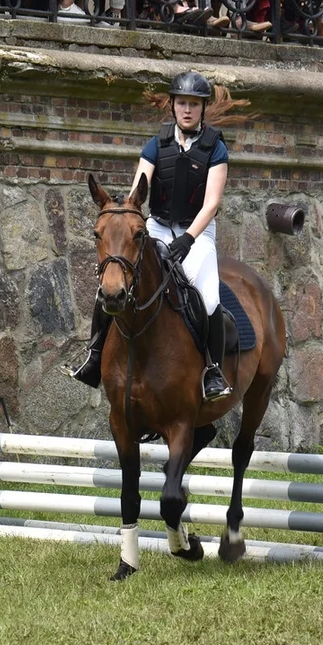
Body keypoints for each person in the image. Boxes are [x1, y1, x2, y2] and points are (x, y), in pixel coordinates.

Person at [69, 70, 233, 402]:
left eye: (194, 105)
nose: (187, 110)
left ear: (202, 108)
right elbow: (136, 194)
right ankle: (95, 356)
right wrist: (129, 218)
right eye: (182, 103)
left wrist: (186, 240)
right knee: (116, 283)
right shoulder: (155, 145)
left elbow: (212, 203)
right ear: (173, 106)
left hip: (197, 233)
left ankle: (212, 371)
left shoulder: (215, 147)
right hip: (156, 227)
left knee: (208, 296)